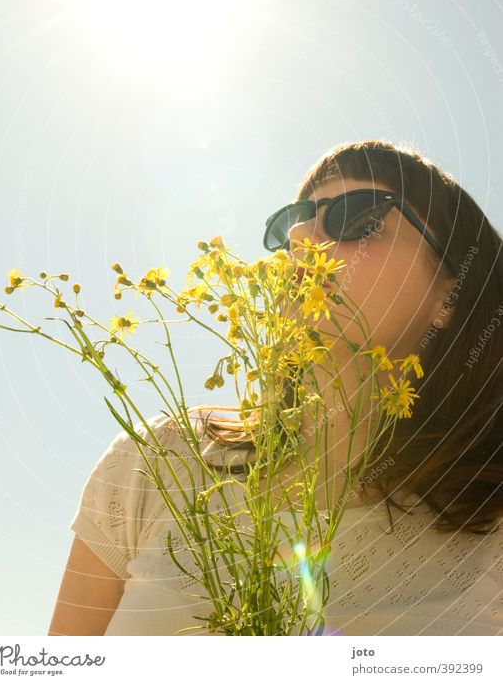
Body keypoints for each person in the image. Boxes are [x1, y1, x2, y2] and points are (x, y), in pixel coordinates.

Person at [48, 139, 503, 636]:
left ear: (452, 295)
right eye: (294, 221)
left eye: (358, 220)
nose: (302, 236)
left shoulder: (488, 530)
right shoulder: (158, 462)